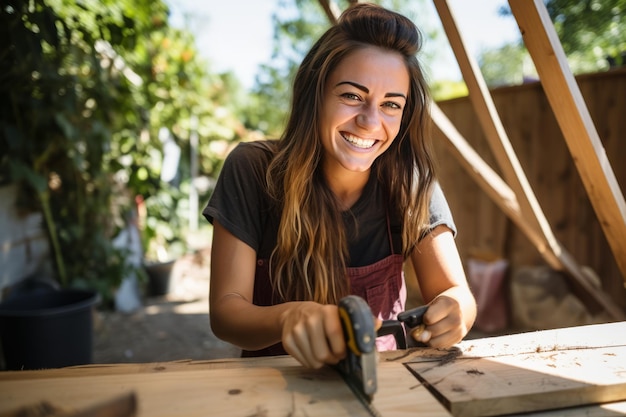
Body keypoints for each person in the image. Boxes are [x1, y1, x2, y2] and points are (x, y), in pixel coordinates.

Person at [203, 2, 476, 369]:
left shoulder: (410, 182)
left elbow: (457, 295)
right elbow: (225, 313)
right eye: (351, 96)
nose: (369, 121)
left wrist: (457, 311)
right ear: (314, 94)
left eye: (391, 105)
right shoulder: (253, 170)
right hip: (271, 389)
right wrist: (289, 318)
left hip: (386, 388)